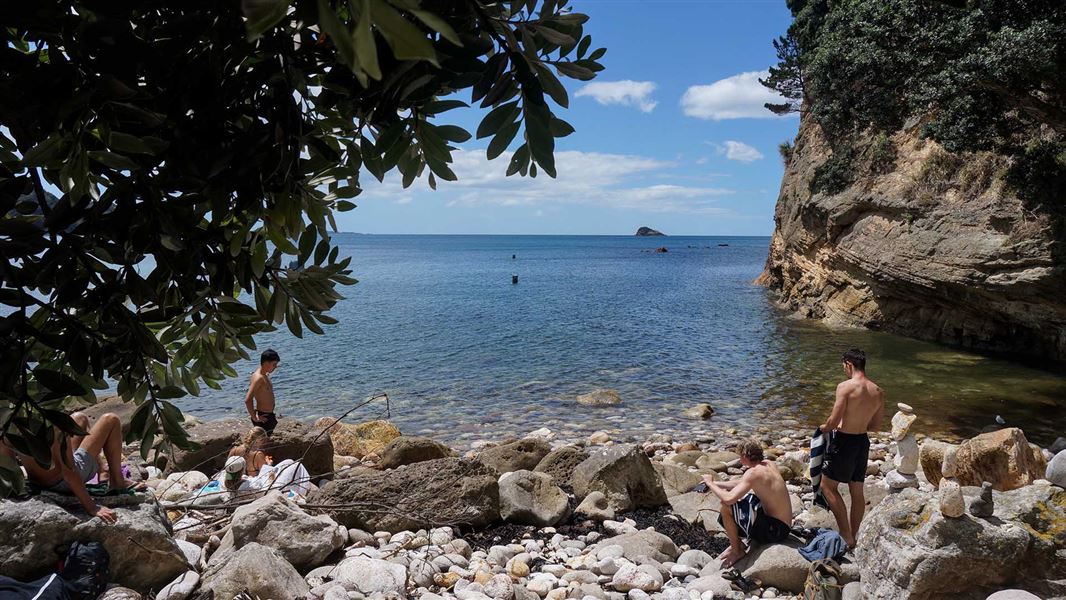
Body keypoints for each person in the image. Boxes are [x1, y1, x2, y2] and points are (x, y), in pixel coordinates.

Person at [0, 412, 143, 524]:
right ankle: (117, 481)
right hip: (63, 482)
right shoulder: (52, 425)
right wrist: (92, 507)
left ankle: (102, 471)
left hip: (37, 482)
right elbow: (70, 473)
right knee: (110, 419)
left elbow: (8, 466)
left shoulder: (7, 425)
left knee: (79, 418)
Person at [818, 348, 884, 548]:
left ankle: (845, 534)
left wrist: (824, 428)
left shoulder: (845, 387)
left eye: (843, 366)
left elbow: (834, 420)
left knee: (827, 486)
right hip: (862, 442)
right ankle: (853, 536)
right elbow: (876, 426)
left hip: (844, 442)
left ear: (848, 364)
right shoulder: (878, 391)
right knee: (857, 490)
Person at [703, 438, 794, 568]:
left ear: (745, 456)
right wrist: (718, 484)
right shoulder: (769, 464)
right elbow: (743, 482)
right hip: (783, 527)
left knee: (726, 506)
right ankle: (738, 543)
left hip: (774, 532)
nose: (740, 460)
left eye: (740, 456)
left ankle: (737, 550)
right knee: (746, 499)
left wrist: (710, 483)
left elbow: (729, 499)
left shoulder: (753, 473)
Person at [244, 349, 280, 433]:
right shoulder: (258, 378)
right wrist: (254, 417)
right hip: (263, 418)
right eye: (274, 364)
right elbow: (248, 400)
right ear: (266, 363)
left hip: (268, 415)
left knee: (265, 442)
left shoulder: (264, 375)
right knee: (263, 444)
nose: (276, 367)